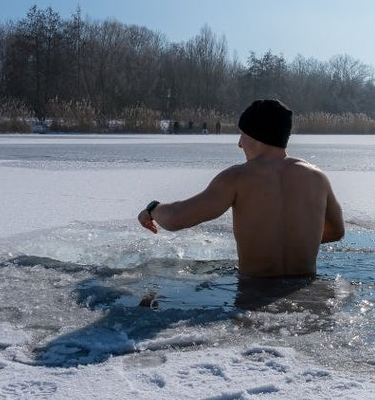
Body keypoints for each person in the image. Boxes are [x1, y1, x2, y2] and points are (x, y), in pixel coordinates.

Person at [137, 99, 344, 278]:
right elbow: (336, 231)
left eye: (242, 135)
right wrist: (296, 241)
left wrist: (152, 209)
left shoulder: (237, 177)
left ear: (256, 136)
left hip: (254, 291)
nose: (239, 144)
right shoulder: (318, 178)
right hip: (307, 291)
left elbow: (176, 218)